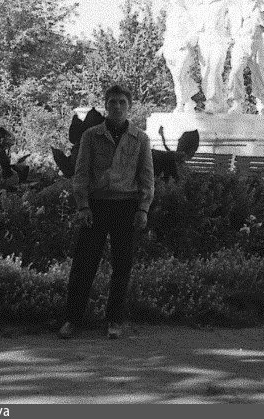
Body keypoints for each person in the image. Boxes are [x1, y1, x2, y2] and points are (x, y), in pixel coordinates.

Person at [59, 84, 154, 339]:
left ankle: (114, 320)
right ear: (105, 105)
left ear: (129, 106)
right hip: (96, 205)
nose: (117, 107)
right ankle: (72, 320)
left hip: (126, 206)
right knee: (84, 264)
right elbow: (81, 173)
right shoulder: (91, 136)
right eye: (112, 102)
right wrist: (83, 205)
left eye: (122, 102)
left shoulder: (140, 138)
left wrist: (143, 209)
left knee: (122, 266)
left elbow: (146, 177)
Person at [156, 0, 199, 113]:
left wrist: (186, 42)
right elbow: (168, 34)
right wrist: (163, 47)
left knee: (180, 74)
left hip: (183, 49)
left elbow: (193, 32)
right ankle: (185, 101)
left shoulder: (187, 14)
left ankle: (183, 101)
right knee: (177, 78)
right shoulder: (170, 16)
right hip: (171, 49)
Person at [194, 0, 232, 114]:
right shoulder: (197, 5)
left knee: (215, 70)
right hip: (203, 40)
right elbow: (192, 25)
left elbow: (231, 19)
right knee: (206, 72)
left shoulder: (222, 1)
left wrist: (230, 36)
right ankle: (219, 102)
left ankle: (213, 101)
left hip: (218, 39)